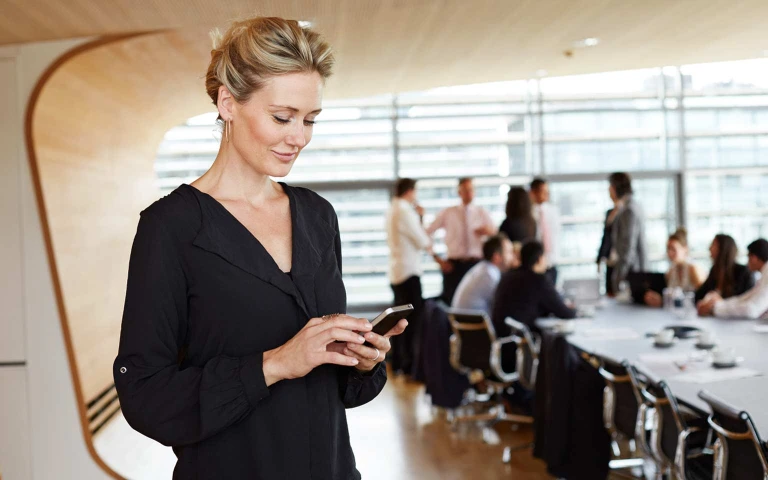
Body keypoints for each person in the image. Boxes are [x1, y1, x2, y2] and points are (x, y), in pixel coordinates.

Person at [113, 18, 406, 479]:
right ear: (228, 103)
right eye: (282, 117)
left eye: (310, 120)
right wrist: (276, 364)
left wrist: (361, 361)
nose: (300, 137)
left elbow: (340, 390)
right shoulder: (170, 228)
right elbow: (145, 396)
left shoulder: (317, 216)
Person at [386, 178, 431, 375]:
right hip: (409, 272)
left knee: (398, 321)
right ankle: (411, 365)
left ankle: (398, 362)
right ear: (410, 192)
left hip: (397, 271)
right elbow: (423, 241)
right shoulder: (405, 211)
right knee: (412, 322)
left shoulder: (392, 209)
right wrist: (421, 217)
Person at [427, 177, 497, 304]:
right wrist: (437, 259)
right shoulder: (448, 213)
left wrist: (489, 232)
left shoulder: (482, 213)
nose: (469, 193)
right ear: (459, 192)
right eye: (465, 190)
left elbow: (497, 237)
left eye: (471, 190)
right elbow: (427, 234)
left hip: (476, 264)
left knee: (476, 301)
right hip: (454, 266)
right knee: (451, 302)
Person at [492, 241, 576, 337]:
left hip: (503, 337)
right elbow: (565, 313)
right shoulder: (538, 280)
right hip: (522, 340)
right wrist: (575, 310)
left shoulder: (508, 276)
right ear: (540, 259)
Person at [698, 238, 767, 318]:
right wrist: (718, 304)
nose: (747, 262)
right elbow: (745, 298)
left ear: (754, 258)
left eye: (748, 257)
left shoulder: (748, 273)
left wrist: (714, 308)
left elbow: (751, 310)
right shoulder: (764, 276)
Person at [452, 233, 516, 314]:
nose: (512, 257)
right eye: (509, 252)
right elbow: (504, 305)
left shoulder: (482, 269)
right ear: (497, 257)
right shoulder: (489, 275)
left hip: (462, 322)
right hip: (474, 324)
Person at [608, 172, 648, 293]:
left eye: (610, 186)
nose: (608, 191)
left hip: (632, 272)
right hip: (635, 270)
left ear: (615, 187)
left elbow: (628, 247)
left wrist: (619, 276)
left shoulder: (629, 210)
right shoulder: (633, 206)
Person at [644, 228, 704, 307]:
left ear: (685, 249)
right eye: (668, 249)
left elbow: (702, 298)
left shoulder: (693, 269)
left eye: (673, 249)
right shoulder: (670, 272)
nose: (670, 253)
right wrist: (660, 300)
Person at [695, 233, 755, 308]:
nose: (709, 248)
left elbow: (744, 301)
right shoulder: (715, 271)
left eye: (713, 244)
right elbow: (698, 296)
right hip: (716, 317)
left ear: (723, 248)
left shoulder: (743, 272)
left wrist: (719, 302)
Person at [529, 178, 560, 285]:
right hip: (536, 264)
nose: (547, 194)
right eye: (543, 191)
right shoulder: (529, 213)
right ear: (533, 192)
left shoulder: (553, 211)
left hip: (551, 261)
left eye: (548, 192)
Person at [596, 194, 622, 296]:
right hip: (610, 259)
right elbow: (605, 237)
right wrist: (599, 258)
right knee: (610, 290)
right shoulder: (609, 213)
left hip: (620, 260)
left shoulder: (626, 213)